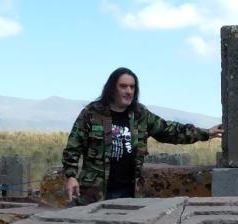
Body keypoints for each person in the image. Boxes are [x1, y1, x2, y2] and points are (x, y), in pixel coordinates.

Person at [62, 67, 223, 204]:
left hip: (130, 192)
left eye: (132, 87)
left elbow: (170, 130)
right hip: (94, 192)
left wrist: (206, 133)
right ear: (112, 89)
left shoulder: (140, 115)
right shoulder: (92, 113)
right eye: (123, 86)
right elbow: (73, 147)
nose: (128, 91)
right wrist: (70, 176)